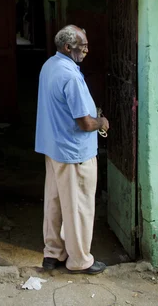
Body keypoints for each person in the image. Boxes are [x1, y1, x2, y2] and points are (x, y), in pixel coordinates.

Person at [35, 25, 110, 274]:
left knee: (55, 203)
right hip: (74, 153)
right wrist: (102, 122)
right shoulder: (71, 76)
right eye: (83, 46)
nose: (87, 50)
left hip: (54, 149)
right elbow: (86, 123)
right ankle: (79, 260)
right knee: (78, 207)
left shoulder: (49, 66)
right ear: (68, 47)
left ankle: (52, 254)